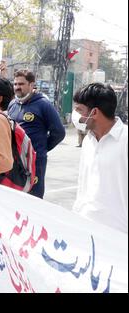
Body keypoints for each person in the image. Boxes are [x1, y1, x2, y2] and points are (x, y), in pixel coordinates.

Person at [72, 83, 128, 234]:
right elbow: (83, 183)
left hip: (118, 235)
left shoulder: (125, 140)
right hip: (86, 229)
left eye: (79, 110)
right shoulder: (88, 141)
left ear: (95, 112)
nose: (75, 115)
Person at [7, 69, 66, 199]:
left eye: (21, 84)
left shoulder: (43, 104)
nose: (17, 87)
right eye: (15, 84)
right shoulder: (12, 105)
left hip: (34, 162)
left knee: (33, 199)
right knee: (15, 198)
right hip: (15, 161)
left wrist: (41, 149)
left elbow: (59, 132)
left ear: (32, 85)